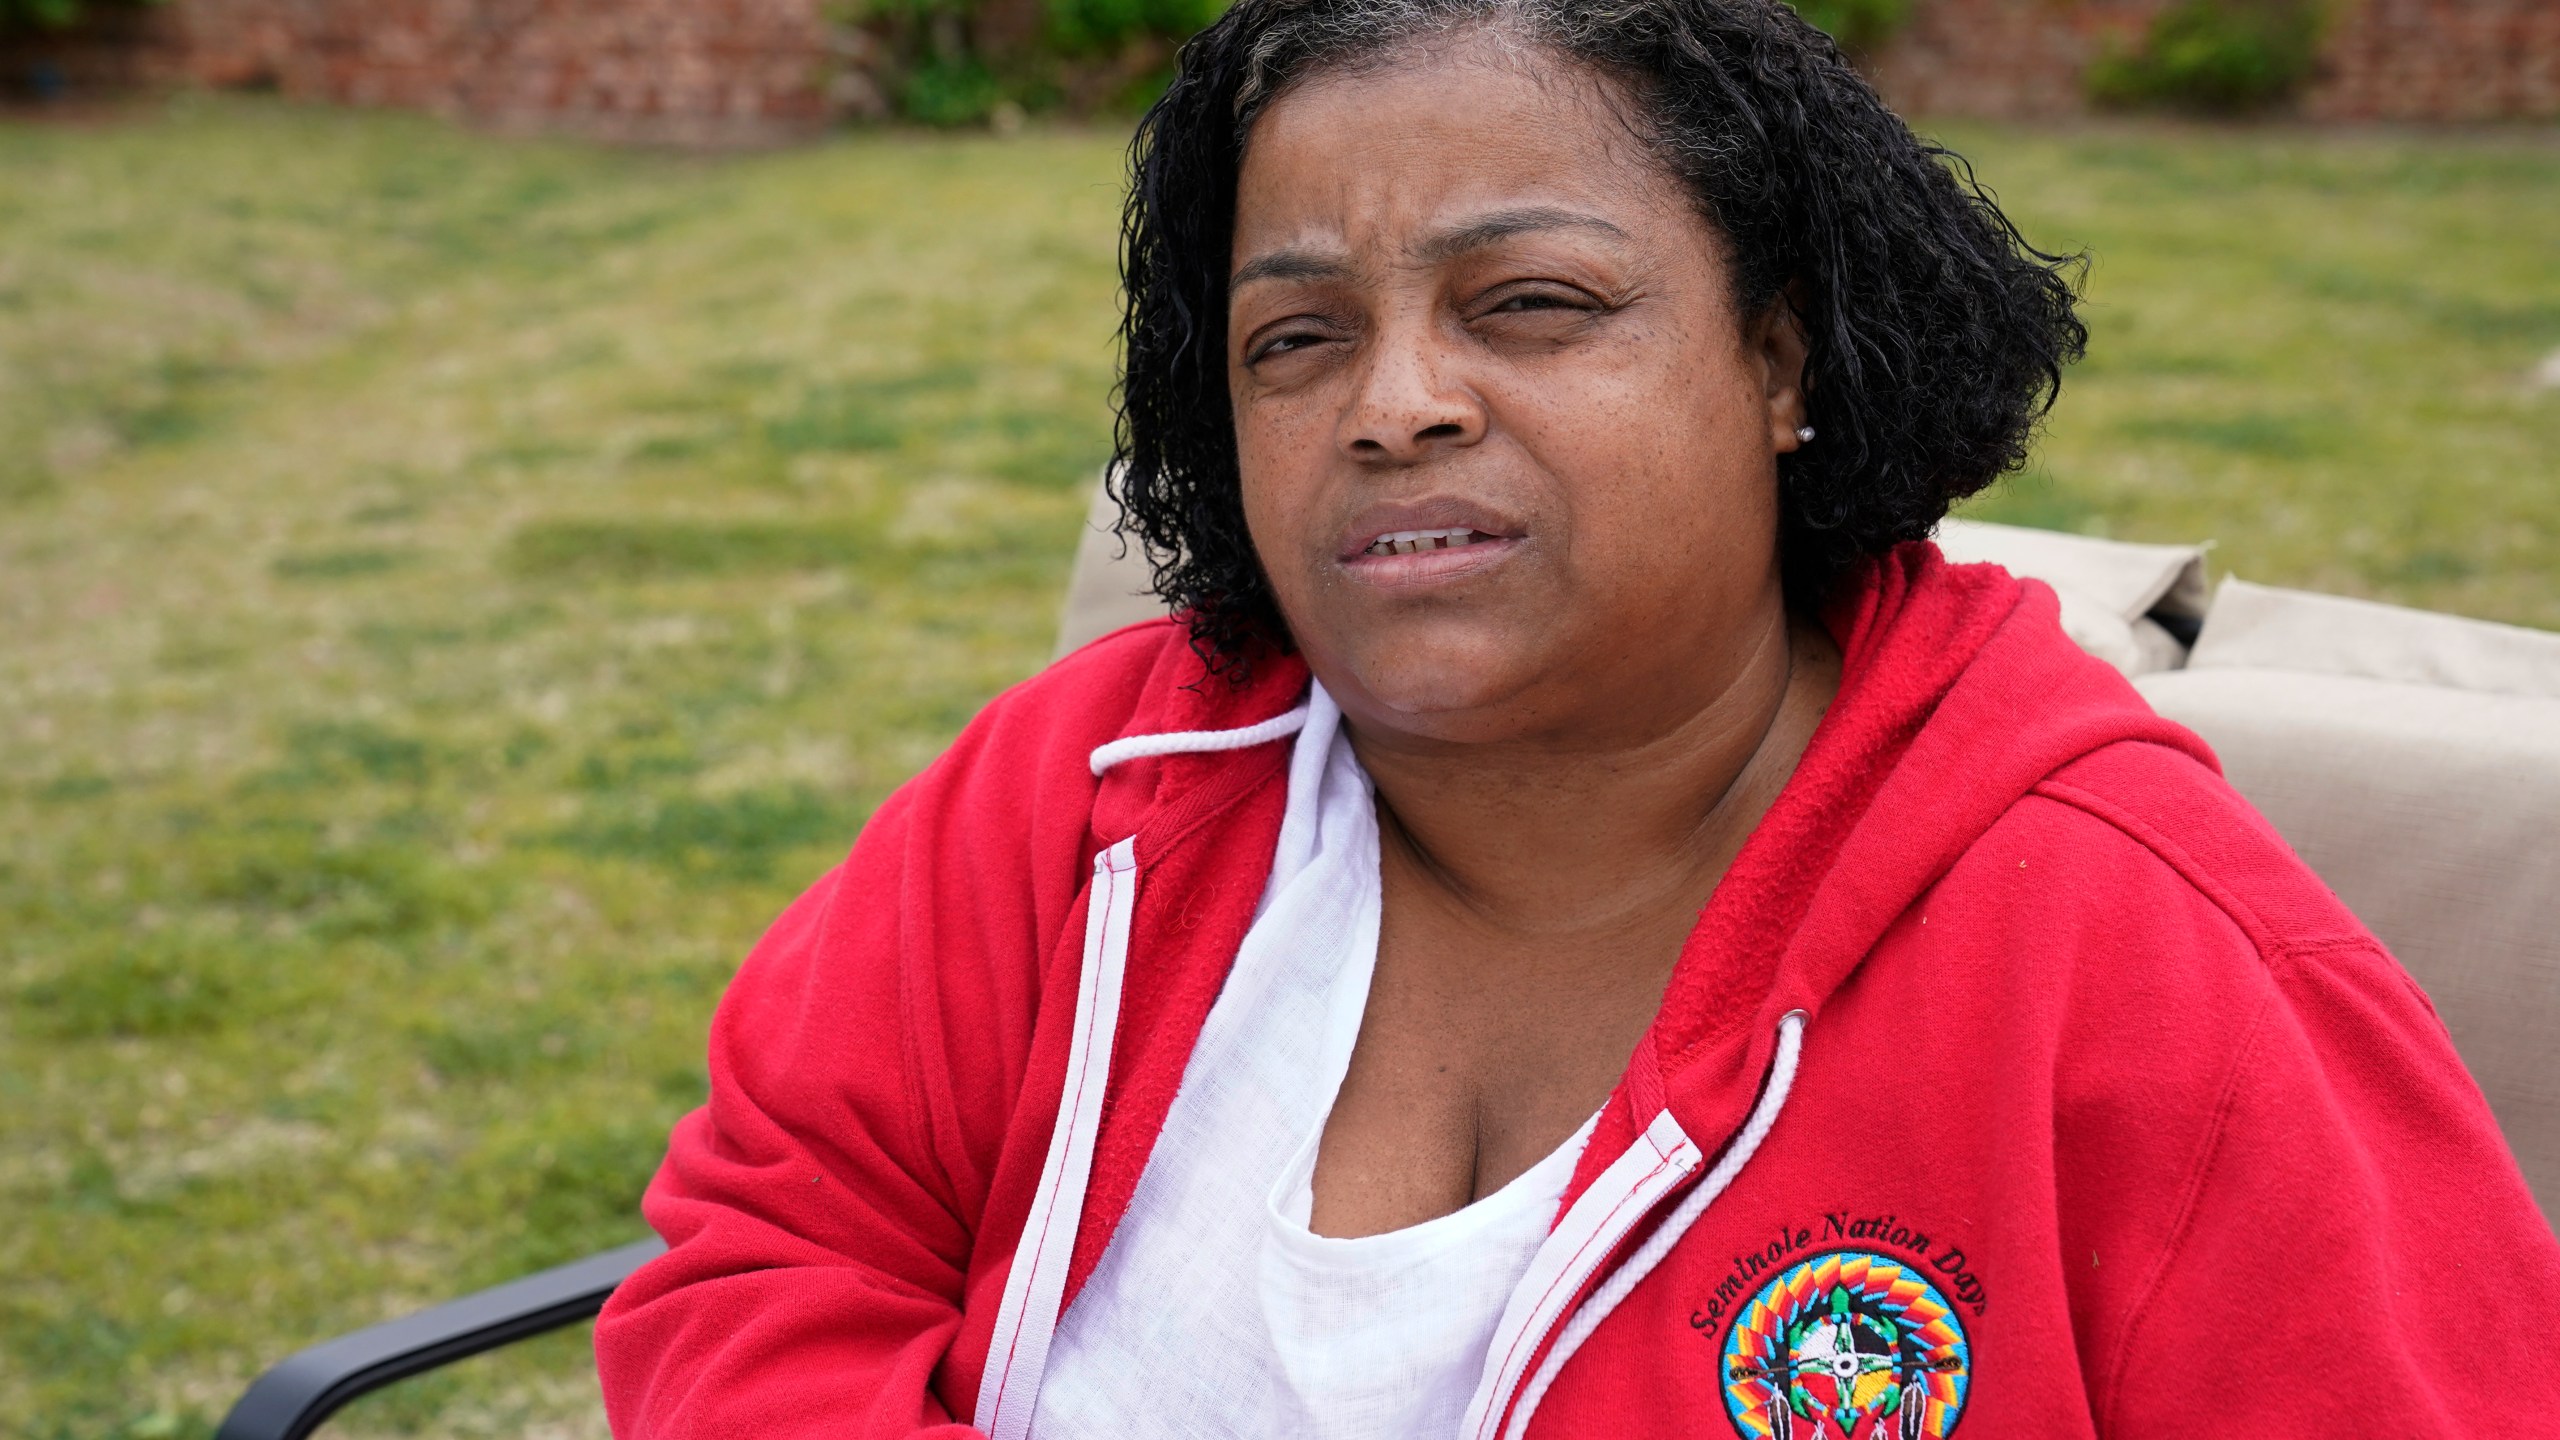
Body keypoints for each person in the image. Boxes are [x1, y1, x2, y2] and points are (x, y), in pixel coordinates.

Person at [594, 0, 2560, 1435]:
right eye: (1296, 338)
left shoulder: (2145, 961)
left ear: (1781, 360)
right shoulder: (1083, 796)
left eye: (1529, 302)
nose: (1392, 404)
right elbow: (767, 1264)